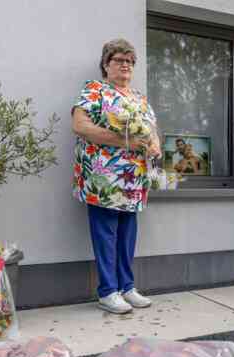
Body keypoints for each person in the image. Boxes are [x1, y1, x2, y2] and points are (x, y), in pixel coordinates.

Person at [71, 38, 161, 314]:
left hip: (134, 179)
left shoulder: (139, 98)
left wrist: (154, 145)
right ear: (106, 64)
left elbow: (152, 130)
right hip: (103, 178)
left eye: (130, 61)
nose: (125, 65)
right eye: (119, 60)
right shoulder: (94, 90)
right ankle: (107, 291)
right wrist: (124, 142)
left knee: (127, 233)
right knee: (106, 232)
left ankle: (126, 286)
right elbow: (80, 125)